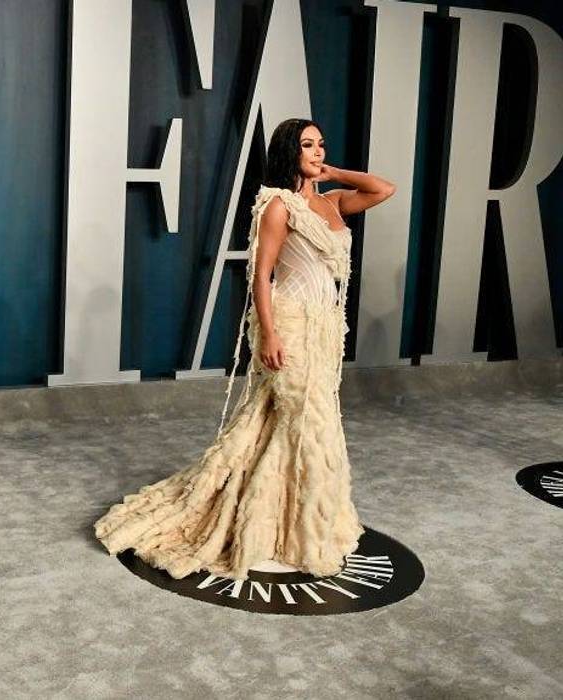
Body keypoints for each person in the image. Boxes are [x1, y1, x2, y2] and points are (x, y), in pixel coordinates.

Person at [94, 118, 395, 581]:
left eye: (321, 144)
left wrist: (333, 172)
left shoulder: (334, 202)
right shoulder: (277, 205)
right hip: (290, 323)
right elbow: (261, 275)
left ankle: (275, 523)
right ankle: (296, 533)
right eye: (307, 145)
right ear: (288, 151)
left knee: (281, 423)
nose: (317, 151)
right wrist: (270, 334)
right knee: (306, 421)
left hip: (326, 328)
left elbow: (383, 189)